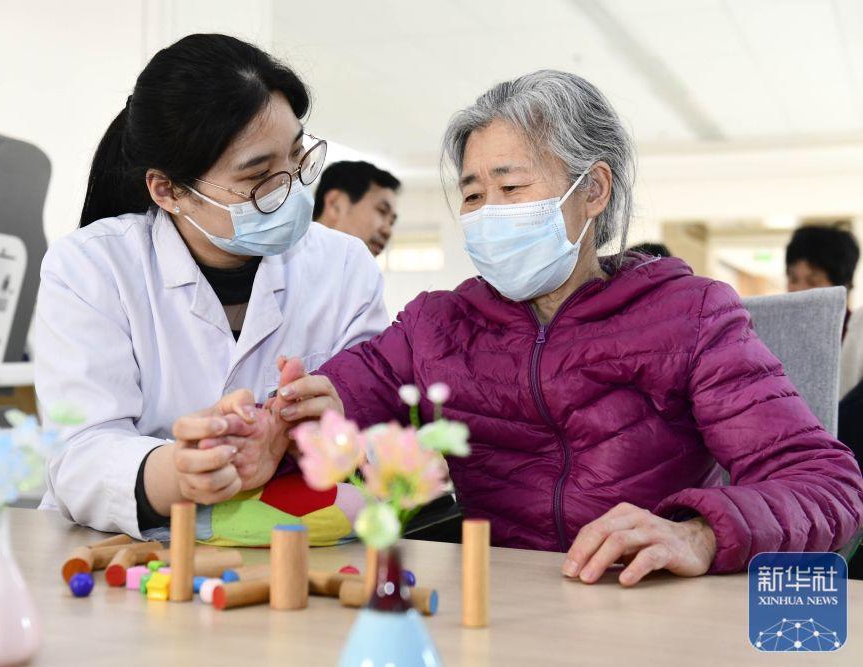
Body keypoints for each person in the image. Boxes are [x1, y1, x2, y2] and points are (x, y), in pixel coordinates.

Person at [270, 71, 863, 586]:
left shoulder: (692, 314)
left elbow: (826, 485)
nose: (488, 213)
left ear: (594, 192)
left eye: (512, 187)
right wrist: (290, 412)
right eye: (474, 194)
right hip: (499, 601)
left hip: (643, 602)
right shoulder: (436, 322)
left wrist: (701, 534)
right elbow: (344, 395)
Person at [34, 34, 388, 538]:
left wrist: (336, 431)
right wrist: (182, 471)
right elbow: (81, 452)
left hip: (299, 548)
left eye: (296, 156)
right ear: (169, 190)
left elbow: (388, 434)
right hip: (132, 553)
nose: (291, 187)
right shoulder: (92, 267)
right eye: (259, 176)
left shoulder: (343, 267)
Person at [785, 225, 863, 399]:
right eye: (793, 279)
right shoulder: (781, 335)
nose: (799, 290)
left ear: (844, 287)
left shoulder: (856, 335)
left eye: (813, 281)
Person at [312, 160, 400, 256]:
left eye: (392, 222)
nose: (387, 231)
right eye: (382, 211)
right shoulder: (295, 263)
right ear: (335, 204)